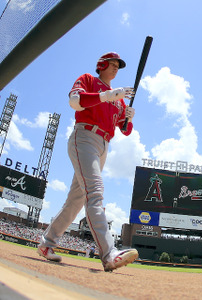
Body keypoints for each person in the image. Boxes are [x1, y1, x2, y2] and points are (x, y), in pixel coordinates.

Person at [37, 52, 139, 272]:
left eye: (117, 66)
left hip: (104, 145)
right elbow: (75, 102)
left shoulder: (118, 98)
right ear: (101, 65)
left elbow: (125, 130)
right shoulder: (90, 81)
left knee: (76, 200)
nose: (115, 69)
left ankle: (46, 244)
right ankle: (109, 253)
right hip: (84, 138)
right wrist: (108, 95)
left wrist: (129, 116)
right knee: (95, 192)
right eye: (112, 64)